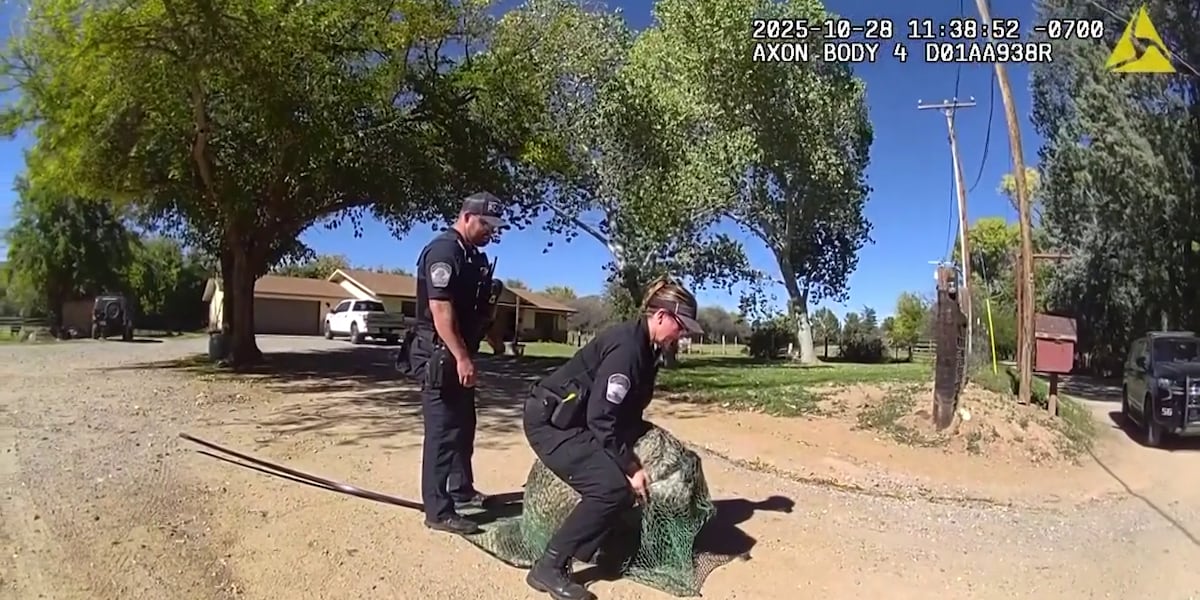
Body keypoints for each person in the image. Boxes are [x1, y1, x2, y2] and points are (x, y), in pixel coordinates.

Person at [521, 278, 703, 600]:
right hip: (552, 425)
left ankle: (593, 545)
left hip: (579, 425)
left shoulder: (648, 348)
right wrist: (631, 467)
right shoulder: (628, 349)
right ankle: (549, 567)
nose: (683, 334)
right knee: (611, 489)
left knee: (617, 486)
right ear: (661, 316)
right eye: (680, 326)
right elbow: (602, 417)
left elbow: (623, 413)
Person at [410, 191, 505, 535]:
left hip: (461, 351)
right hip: (440, 353)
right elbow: (440, 309)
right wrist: (462, 356)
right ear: (466, 217)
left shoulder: (473, 257)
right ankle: (437, 509)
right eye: (484, 224)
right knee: (442, 430)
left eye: (494, 228)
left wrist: (494, 340)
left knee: (464, 425)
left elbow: (479, 310)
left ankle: (461, 489)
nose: (489, 232)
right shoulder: (444, 251)